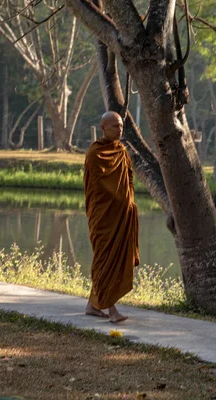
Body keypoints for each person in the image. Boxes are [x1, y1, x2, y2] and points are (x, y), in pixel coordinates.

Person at [83, 111, 139, 323]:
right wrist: (118, 199)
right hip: (103, 217)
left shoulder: (122, 151)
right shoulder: (95, 153)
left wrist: (129, 203)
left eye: (121, 126)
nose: (119, 129)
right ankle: (112, 309)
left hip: (121, 215)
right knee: (103, 259)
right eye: (115, 126)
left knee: (113, 260)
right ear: (103, 128)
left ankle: (93, 305)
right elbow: (97, 187)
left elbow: (128, 180)